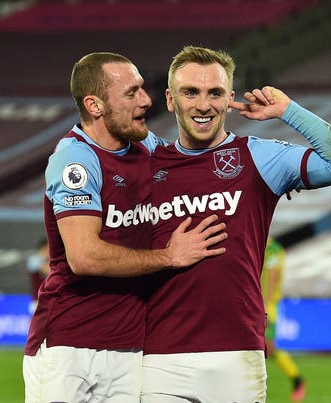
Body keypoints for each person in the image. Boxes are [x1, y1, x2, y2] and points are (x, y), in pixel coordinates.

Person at [142, 46, 331, 402]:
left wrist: (288, 112)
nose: (203, 105)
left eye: (215, 93)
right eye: (190, 92)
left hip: (237, 353)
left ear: (230, 98)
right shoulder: (146, 164)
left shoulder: (260, 157)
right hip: (159, 357)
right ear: (171, 100)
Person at [23, 52, 228, 403]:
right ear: (95, 105)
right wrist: (168, 257)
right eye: (132, 93)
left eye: (143, 90)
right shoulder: (76, 161)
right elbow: (85, 258)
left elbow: (205, 171)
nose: (146, 100)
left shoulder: (148, 149)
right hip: (69, 344)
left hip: (131, 350)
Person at [262, 237, 306, 402]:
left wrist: (266, 304)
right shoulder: (267, 246)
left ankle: (297, 379)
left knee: (268, 348)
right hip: (259, 305)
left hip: (266, 306)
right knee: (265, 349)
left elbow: (273, 276)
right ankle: (296, 379)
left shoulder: (272, 248)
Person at [26, 235, 50, 313]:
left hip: (49, 301)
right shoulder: (34, 259)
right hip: (38, 301)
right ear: (44, 247)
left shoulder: (49, 261)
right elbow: (46, 270)